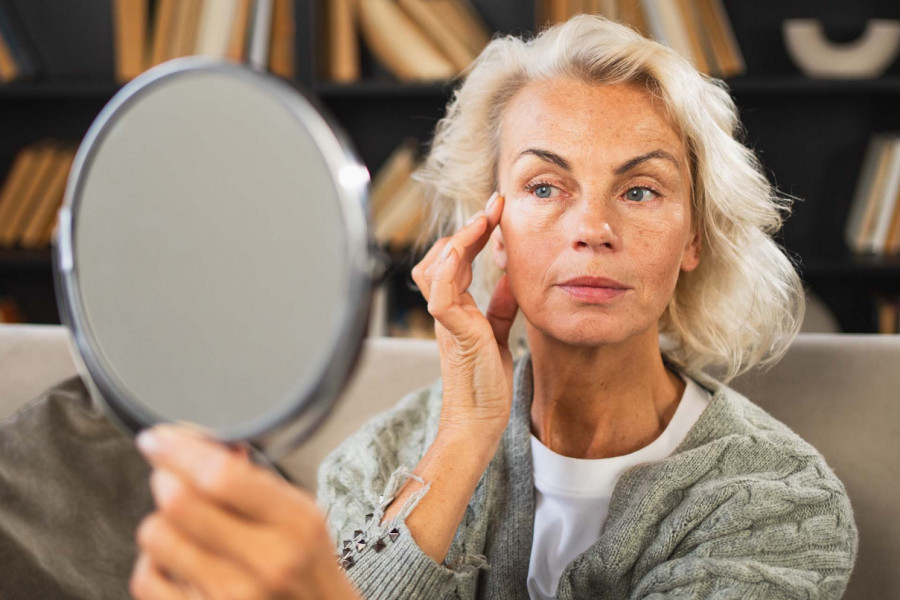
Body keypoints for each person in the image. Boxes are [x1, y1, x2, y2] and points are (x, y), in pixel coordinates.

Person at [129, 14, 858, 599]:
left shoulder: (783, 502)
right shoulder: (377, 460)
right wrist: (465, 434)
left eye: (640, 190)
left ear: (693, 236)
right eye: (544, 187)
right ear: (492, 229)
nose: (593, 229)